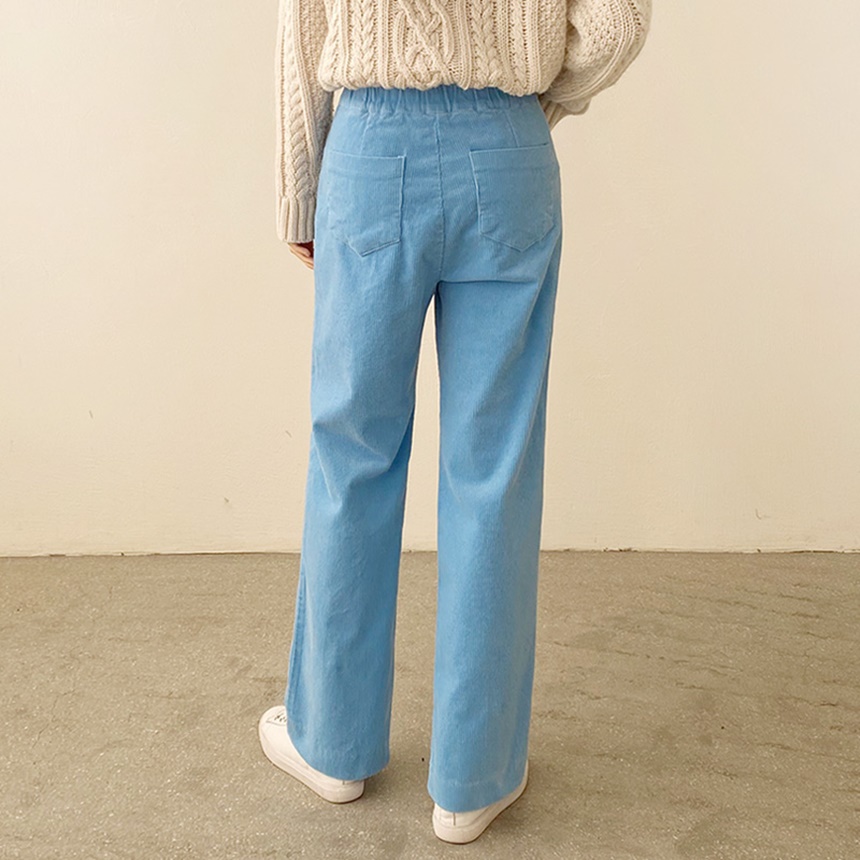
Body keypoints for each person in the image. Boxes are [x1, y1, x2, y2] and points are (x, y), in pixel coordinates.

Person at [259, 0, 652, 844]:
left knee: (353, 453)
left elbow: (304, 26)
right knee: (493, 470)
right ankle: (474, 781)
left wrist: (298, 191)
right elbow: (616, 25)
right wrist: (522, 105)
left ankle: (331, 745)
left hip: (372, 155)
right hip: (508, 159)